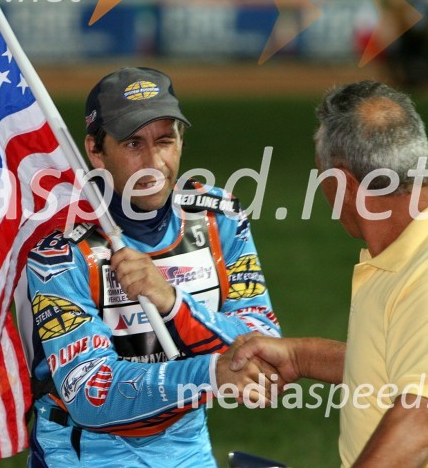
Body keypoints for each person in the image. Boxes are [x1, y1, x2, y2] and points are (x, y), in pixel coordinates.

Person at [231, 80, 428, 467]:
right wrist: (301, 356)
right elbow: (405, 364)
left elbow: (424, 419)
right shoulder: (409, 254)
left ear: (343, 184)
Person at [22, 66, 281, 466]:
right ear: (95, 150)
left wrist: (172, 303)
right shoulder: (61, 255)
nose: (153, 162)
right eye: (131, 144)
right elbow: (92, 396)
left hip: (187, 440)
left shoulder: (219, 218)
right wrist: (211, 372)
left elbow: (264, 343)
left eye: (165, 140)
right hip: (86, 450)